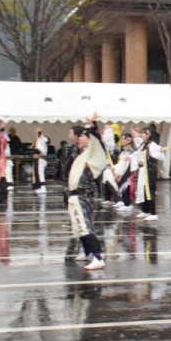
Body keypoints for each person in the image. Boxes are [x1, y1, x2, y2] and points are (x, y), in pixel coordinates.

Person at [66, 116, 110, 271]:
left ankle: (98, 257)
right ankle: (87, 252)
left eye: (83, 136)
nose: (79, 139)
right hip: (75, 195)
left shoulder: (93, 152)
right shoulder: (82, 153)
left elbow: (96, 139)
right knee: (78, 227)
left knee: (84, 226)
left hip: (82, 195)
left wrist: (91, 125)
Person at [31, 128, 49, 194]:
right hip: (38, 160)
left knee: (40, 173)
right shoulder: (39, 143)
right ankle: (39, 187)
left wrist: (39, 132)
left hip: (40, 160)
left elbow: (41, 138)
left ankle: (43, 187)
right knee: (37, 174)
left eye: (37, 135)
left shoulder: (42, 144)